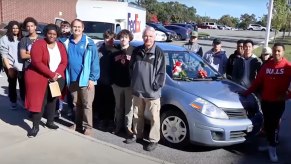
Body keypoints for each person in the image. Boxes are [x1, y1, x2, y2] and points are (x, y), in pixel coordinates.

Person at [242, 43, 291, 162]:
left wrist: (287, 96)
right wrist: (245, 93)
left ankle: (273, 149)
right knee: (268, 124)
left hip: (278, 103)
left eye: (279, 51)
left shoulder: (288, 67)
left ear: (283, 52)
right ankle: (269, 144)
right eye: (275, 51)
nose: (276, 53)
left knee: (274, 125)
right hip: (266, 101)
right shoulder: (266, 66)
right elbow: (257, 82)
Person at [126, 27, 166, 152]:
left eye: (150, 36)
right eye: (145, 36)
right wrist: (133, 83)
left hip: (152, 92)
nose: (147, 38)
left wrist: (156, 86)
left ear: (154, 38)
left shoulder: (159, 53)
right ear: (143, 37)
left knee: (154, 117)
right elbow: (131, 68)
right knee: (137, 115)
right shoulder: (137, 51)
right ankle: (137, 135)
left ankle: (153, 140)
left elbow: (161, 72)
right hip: (138, 90)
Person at [25, 24, 67, 137]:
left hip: (57, 78)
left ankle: (50, 122)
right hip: (40, 78)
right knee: (40, 102)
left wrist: (57, 74)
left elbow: (64, 62)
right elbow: (36, 62)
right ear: (46, 33)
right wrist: (50, 74)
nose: (52, 36)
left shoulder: (60, 46)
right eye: (50, 33)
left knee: (52, 100)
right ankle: (35, 127)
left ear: (57, 35)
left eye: (54, 34)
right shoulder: (38, 44)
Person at [62, 19, 100, 136]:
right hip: (72, 79)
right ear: (71, 28)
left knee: (86, 104)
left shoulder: (89, 43)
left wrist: (92, 79)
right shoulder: (67, 42)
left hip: (86, 80)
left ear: (83, 28)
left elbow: (95, 62)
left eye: (79, 27)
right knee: (75, 103)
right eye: (75, 27)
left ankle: (88, 127)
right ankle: (77, 124)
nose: (77, 29)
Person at [110, 29, 134, 135]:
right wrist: (112, 82)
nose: (123, 39)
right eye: (121, 37)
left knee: (129, 109)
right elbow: (111, 69)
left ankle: (128, 128)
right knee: (118, 108)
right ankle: (117, 127)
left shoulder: (134, 51)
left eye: (125, 37)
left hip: (129, 85)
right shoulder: (115, 51)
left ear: (129, 39)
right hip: (117, 85)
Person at [94, 30, 116, 131]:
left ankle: (111, 121)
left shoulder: (116, 52)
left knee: (111, 103)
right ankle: (102, 121)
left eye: (111, 38)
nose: (109, 40)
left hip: (112, 83)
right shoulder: (98, 51)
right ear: (104, 39)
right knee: (101, 103)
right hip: (100, 82)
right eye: (107, 38)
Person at [19, 17, 42, 109]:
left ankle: (39, 109)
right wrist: (35, 54)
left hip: (40, 68)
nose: (30, 28)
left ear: (35, 27)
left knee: (40, 90)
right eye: (28, 26)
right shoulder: (24, 40)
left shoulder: (42, 39)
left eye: (32, 26)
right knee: (30, 90)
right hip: (28, 68)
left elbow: (45, 55)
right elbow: (23, 55)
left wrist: (30, 53)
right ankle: (30, 108)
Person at [0, 21, 24, 109]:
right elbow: (4, 54)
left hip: (21, 65)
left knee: (23, 84)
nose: (15, 30)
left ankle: (23, 99)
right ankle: (13, 101)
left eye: (17, 28)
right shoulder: (4, 39)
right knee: (12, 84)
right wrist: (9, 67)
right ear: (10, 28)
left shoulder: (22, 38)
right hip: (11, 66)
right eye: (13, 28)